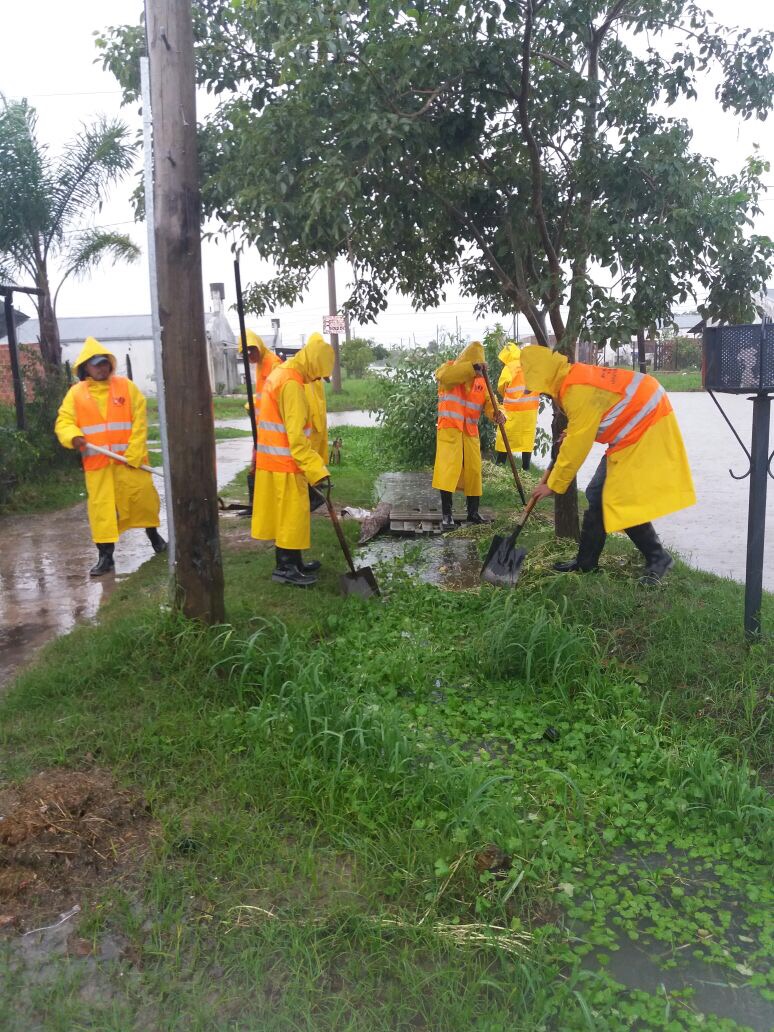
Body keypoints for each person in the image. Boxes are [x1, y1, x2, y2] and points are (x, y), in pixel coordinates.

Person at [520, 346, 696, 584]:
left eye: (540, 390)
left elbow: (576, 448)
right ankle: (585, 563)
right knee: (597, 493)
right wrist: (572, 432)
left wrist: (552, 485)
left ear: (545, 377)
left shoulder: (575, 391)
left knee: (617, 498)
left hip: (645, 425)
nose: (542, 394)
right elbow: (597, 411)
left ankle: (658, 558)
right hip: (632, 428)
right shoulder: (571, 378)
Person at [55, 337, 166, 577]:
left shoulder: (126, 387)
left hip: (130, 462)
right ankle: (105, 557)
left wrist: (135, 452)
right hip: (98, 464)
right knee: (102, 511)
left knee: (144, 500)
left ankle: (155, 538)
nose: (102, 368)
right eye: (96, 364)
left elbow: (139, 419)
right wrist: (73, 436)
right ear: (86, 367)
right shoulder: (76, 394)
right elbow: (64, 421)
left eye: (104, 363)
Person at [251, 334, 335, 586]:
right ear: (311, 364)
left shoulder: (282, 373)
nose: (318, 379)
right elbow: (297, 440)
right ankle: (285, 568)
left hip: (276, 462)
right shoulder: (292, 386)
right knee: (290, 517)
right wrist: (318, 471)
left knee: (293, 516)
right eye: (318, 374)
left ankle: (295, 562)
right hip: (285, 464)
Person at [431, 340, 505, 531]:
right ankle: (446, 515)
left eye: (480, 366)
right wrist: (471, 369)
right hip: (450, 430)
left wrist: (497, 413)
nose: (480, 371)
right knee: (447, 472)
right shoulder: (448, 369)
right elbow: (444, 377)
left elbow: (491, 402)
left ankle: (473, 513)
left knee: (474, 472)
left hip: (470, 432)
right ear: (469, 362)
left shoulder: (481, 381)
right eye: (477, 366)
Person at [240, 330, 282, 500]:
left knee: (263, 463)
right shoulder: (259, 365)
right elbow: (261, 396)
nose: (249, 355)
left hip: (271, 427)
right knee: (257, 462)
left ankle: (258, 501)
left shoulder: (273, 363)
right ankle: (255, 501)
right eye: (246, 352)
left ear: (259, 347)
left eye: (252, 350)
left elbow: (277, 396)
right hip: (261, 424)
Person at [494, 341, 539, 470]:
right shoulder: (529, 365)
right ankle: (526, 469)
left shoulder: (509, 367)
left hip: (512, 411)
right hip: (530, 411)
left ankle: (499, 467)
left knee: (504, 439)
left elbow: (501, 387)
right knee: (527, 439)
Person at [303, 332, 330, 462]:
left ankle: (318, 478)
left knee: (318, 450)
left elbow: (320, 399)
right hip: (311, 421)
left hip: (319, 420)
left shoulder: (317, 369)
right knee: (311, 451)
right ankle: (311, 480)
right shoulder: (306, 368)